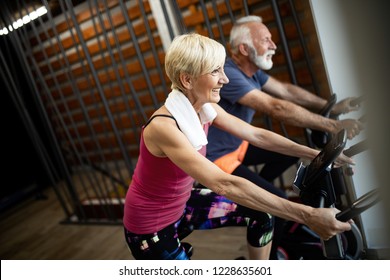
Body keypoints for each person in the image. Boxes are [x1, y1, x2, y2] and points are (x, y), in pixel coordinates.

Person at [123, 33, 353, 260]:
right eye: (215, 71)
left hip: (182, 204)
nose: (225, 79)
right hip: (151, 227)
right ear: (187, 80)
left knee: (262, 213)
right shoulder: (164, 127)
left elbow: (256, 135)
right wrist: (309, 215)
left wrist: (318, 155)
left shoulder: (203, 108)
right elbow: (224, 183)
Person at [205, 15, 364, 259]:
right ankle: (267, 259)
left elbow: (286, 91)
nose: (273, 45)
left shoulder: (252, 71)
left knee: (291, 152)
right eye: (265, 40)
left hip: (238, 146)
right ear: (244, 49)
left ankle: (255, 194)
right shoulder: (230, 73)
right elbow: (276, 107)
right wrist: (333, 124)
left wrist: (333, 108)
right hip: (219, 158)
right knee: (274, 204)